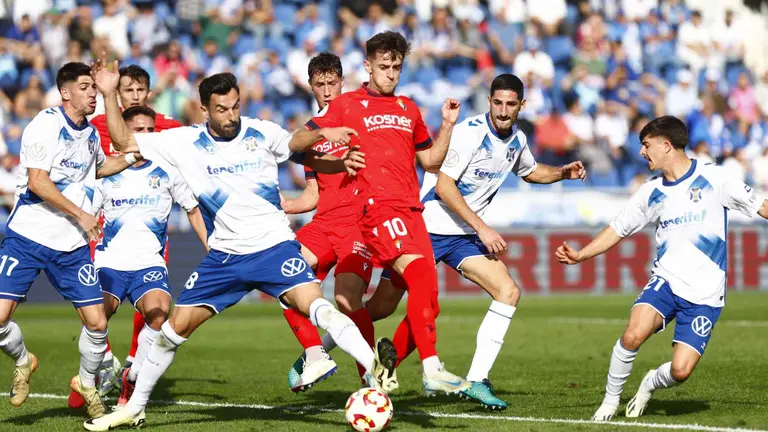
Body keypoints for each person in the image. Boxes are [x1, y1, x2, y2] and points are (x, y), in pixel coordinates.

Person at [84, 59, 395, 430]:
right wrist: (107, 94)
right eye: (221, 109)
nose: (231, 116)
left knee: (318, 307)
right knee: (170, 333)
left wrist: (323, 134)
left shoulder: (261, 132)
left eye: (235, 106)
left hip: (273, 249)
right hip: (225, 257)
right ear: (204, 109)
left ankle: (374, 369)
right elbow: (123, 141)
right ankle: (133, 407)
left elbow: (295, 144)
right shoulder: (183, 141)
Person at [555, 116, 768, 421]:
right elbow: (618, 228)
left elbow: (761, 206)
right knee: (632, 335)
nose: (642, 152)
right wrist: (582, 255)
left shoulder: (716, 179)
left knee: (681, 371)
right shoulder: (650, 191)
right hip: (666, 281)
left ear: (666, 145)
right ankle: (609, 403)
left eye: (646, 144)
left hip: (706, 294)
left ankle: (649, 383)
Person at [298, 31, 469, 395]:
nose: (391, 74)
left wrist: (449, 126)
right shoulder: (347, 103)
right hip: (376, 208)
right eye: (384, 67)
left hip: (411, 210)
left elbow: (430, 161)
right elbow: (298, 144)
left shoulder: (409, 108)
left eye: (396, 67)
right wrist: (334, 151)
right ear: (368, 66)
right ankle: (431, 367)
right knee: (417, 273)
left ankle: (382, 367)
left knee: (427, 299)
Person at [0, 62, 143, 419]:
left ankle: (87, 384)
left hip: (71, 245)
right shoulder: (45, 125)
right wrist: (81, 213)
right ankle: (23, 360)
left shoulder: (91, 133)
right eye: (85, 87)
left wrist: (127, 159)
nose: (92, 93)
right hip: (28, 237)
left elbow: (97, 168)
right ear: (65, 92)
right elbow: (38, 182)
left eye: (94, 88)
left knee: (97, 323)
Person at [91, 105, 208, 408]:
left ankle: (131, 379)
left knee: (158, 313)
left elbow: (193, 210)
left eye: (149, 130)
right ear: (121, 136)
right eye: (137, 130)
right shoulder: (104, 174)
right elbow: (84, 215)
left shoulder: (167, 171)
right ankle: (90, 376)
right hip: (110, 262)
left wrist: (212, 245)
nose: (145, 136)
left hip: (149, 263)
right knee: (96, 318)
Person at [86, 65, 184, 400]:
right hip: (107, 224)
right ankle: (99, 367)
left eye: (141, 91)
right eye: (128, 90)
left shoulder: (165, 126)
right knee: (96, 307)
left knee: (153, 307)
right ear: (118, 92)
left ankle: (132, 363)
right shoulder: (96, 124)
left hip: (150, 228)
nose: (135, 96)